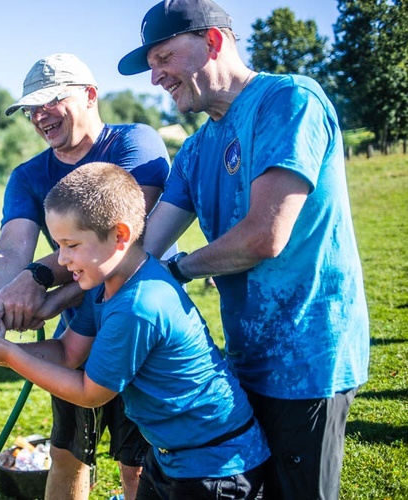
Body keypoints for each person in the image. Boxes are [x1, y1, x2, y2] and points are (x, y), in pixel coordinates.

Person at [117, 1, 370, 498]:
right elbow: (140, 246)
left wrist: (179, 270)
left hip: (309, 357)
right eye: (152, 66)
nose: (156, 78)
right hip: (244, 360)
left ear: (213, 42)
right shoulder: (194, 150)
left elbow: (264, 235)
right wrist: (54, 290)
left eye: (164, 57)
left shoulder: (289, 100)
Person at [0, 162, 270, 499]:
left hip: (217, 466)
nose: (60, 261)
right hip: (172, 455)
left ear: (120, 235)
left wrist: (9, 354)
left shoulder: (139, 303)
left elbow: (90, 393)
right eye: (58, 245)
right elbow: (67, 353)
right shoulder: (106, 285)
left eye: (71, 245)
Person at [0, 53, 174, 500]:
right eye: (30, 109)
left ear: (90, 95)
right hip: (78, 328)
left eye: (50, 101)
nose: (38, 116)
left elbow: (121, 237)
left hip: (138, 324)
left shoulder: (136, 143)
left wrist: (38, 278)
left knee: (138, 460)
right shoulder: (29, 174)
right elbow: (11, 248)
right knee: (68, 451)